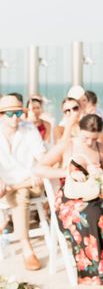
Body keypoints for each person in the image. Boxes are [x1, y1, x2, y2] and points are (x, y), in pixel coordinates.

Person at [35, 113, 103, 285]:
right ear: (79, 130)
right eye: (86, 138)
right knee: (90, 214)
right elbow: (39, 168)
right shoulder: (68, 145)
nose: (90, 142)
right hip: (70, 198)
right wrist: (68, 173)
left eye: (94, 138)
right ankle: (94, 273)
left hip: (95, 193)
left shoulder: (100, 147)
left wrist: (101, 169)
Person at [0, 94, 46, 270]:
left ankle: (26, 246)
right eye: (10, 114)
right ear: (1, 115)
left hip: (30, 184)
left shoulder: (29, 129)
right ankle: (26, 247)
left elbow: (42, 158)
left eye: (18, 113)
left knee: (22, 193)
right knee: (19, 193)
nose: (15, 118)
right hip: (6, 187)